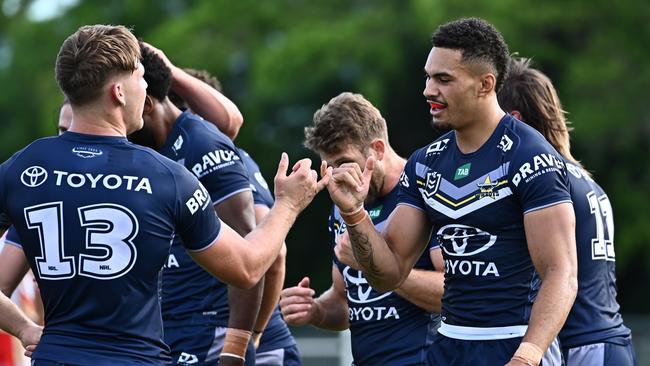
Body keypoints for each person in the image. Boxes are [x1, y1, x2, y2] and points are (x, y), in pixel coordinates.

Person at [0, 24, 327, 365]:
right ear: (119, 92)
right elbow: (246, 268)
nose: (147, 88)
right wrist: (288, 204)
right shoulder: (166, 176)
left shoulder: (21, 168)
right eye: (140, 77)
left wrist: (24, 328)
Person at [323, 18, 578, 366]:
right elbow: (389, 273)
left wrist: (528, 356)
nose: (429, 90)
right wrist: (355, 213)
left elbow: (561, 273)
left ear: (485, 85)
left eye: (443, 79)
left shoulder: (530, 156)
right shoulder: (426, 163)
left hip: (514, 344)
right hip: (447, 348)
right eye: (428, 77)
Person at [281, 92, 443, 365]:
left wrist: (377, 264)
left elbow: (456, 294)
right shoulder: (342, 204)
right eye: (329, 167)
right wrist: (316, 310)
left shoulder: (426, 190)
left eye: (344, 163)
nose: (338, 177)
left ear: (377, 150)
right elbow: (346, 301)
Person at [159, 59, 301, 366]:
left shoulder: (217, 157)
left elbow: (272, 253)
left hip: (228, 335)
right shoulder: (169, 161)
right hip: (192, 331)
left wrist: (252, 336)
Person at [498, 57, 637, 366]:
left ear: (514, 120)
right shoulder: (585, 179)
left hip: (582, 347)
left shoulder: (545, 180)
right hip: (607, 342)